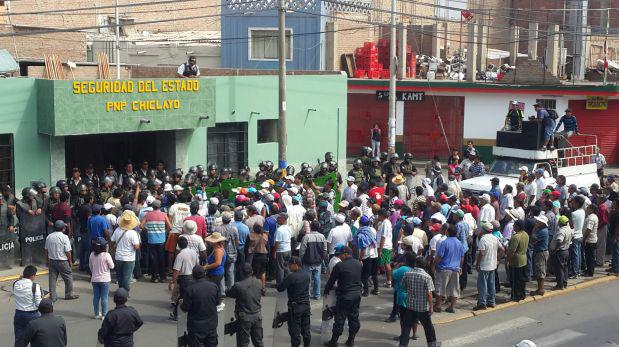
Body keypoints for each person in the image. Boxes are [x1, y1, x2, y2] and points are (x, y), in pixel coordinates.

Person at [323, 246, 362, 347]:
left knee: (340, 318)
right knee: (354, 317)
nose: (339, 256)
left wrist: (326, 291)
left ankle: (333, 341)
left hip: (345, 296)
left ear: (345, 254)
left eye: (340, 254)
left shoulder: (340, 266)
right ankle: (351, 340)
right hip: (356, 295)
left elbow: (331, 281)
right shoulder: (358, 263)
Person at [401, 255, 437, 347]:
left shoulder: (407, 274)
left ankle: (403, 345)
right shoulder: (427, 277)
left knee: (406, 327)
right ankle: (432, 344)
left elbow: (404, 287)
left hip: (410, 305)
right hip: (422, 308)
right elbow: (429, 294)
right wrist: (431, 307)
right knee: (428, 327)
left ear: (416, 264)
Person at [226, 263, 264, 347]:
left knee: (243, 343)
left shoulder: (238, 285)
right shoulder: (259, 282)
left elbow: (229, 293)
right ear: (252, 271)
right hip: (257, 315)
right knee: (258, 342)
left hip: (245, 318)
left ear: (241, 273)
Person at [277, 256, 311, 347]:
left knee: (295, 332)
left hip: (295, 307)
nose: (288, 267)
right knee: (306, 329)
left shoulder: (291, 277)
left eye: (290, 265)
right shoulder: (307, 275)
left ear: (295, 264)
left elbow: (280, 288)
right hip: (306, 305)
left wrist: (284, 278)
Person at [180, 265, 219, 345]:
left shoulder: (190, 289)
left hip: (196, 327)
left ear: (193, 275)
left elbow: (185, 308)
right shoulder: (213, 286)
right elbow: (217, 302)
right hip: (211, 325)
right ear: (204, 273)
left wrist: (181, 304)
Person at [433, 224, 465, 313]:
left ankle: (438, 305)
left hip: (444, 268)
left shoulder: (445, 242)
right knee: (454, 288)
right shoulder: (459, 243)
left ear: (447, 232)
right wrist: (460, 267)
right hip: (455, 268)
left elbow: (439, 256)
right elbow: (462, 257)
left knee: (439, 287)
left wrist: (434, 264)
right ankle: (452, 307)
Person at [44, 220, 79, 302]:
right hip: (62, 261)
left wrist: (46, 260)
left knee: (52, 279)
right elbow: (68, 251)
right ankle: (69, 294)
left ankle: (53, 296)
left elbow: (46, 250)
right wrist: (70, 261)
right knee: (68, 277)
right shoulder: (64, 237)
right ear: (63, 228)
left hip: (52, 260)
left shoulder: (49, 236)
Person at [474, 221, 504, 310]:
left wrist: (477, 263)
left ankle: (482, 303)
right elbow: (502, 249)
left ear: (484, 230)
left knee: (482, 285)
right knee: (491, 284)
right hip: (492, 264)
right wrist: (498, 259)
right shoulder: (495, 238)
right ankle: (491, 301)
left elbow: (481, 253)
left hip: (484, 265)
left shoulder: (483, 239)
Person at [140, 200, 172, 282]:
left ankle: (155, 277)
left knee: (153, 258)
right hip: (161, 239)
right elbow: (170, 227)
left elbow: (141, 225)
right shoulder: (163, 215)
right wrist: (164, 231)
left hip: (151, 239)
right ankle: (162, 277)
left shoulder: (148, 215)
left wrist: (147, 230)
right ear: (160, 206)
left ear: (152, 207)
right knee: (161, 258)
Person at [169, 236, 199, 320]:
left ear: (178, 245)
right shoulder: (194, 252)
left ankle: (176, 314)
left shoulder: (180, 255)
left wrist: (172, 281)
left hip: (185, 278)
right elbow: (197, 264)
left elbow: (176, 270)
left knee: (182, 296)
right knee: (192, 295)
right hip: (193, 276)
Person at [111, 211, 141, 293]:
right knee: (127, 276)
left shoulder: (117, 230)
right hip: (129, 258)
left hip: (118, 257)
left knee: (120, 276)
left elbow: (112, 241)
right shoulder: (133, 233)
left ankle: (120, 290)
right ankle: (125, 292)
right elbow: (136, 246)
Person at [13, 265, 44, 346]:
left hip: (19, 314)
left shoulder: (15, 284)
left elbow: (18, 281)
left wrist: (20, 279)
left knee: (19, 339)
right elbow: (38, 303)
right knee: (35, 339)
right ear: (33, 275)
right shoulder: (35, 286)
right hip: (32, 315)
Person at [299, 220, 327, 300]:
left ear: (310, 227)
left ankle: (307, 295)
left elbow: (302, 251)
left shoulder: (306, 237)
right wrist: (322, 258)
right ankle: (317, 295)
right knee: (317, 278)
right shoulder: (322, 237)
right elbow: (325, 250)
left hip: (307, 261)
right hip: (318, 262)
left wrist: (301, 260)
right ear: (319, 227)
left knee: (307, 279)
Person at [89, 237, 114, 319]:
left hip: (95, 279)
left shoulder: (92, 254)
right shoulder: (106, 255)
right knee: (104, 297)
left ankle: (96, 314)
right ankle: (104, 315)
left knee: (96, 296)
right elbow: (112, 266)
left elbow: (90, 267)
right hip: (105, 279)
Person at [356, 215, 380, 296]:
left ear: (360, 223)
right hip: (374, 254)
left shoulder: (361, 233)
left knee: (364, 276)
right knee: (374, 274)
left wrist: (360, 259)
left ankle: (366, 292)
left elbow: (363, 247)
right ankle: (376, 289)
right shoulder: (372, 230)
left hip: (366, 256)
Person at [507, 220, 529, 301]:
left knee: (515, 280)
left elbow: (512, 250)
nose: (513, 227)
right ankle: (522, 294)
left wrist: (508, 260)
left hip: (516, 261)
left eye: (514, 225)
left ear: (518, 227)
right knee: (522, 279)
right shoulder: (525, 234)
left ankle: (515, 296)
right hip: (524, 259)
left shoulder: (516, 237)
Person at [550, 215, 572, 290]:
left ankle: (560, 285)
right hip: (566, 250)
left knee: (559, 269)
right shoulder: (569, 229)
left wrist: (555, 249)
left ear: (560, 222)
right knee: (565, 268)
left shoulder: (561, 231)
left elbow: (559, 241)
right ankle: (564, 283)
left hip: (560, 252)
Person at [246, 224, 269, 295]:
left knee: (254, 272)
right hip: (264, 255)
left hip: (255, 255)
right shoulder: (265, 235)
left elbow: (246, 246)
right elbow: (268, 246)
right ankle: (263, 288)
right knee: (262, 272)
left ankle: (254, 288)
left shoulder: (251, 235)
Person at [530, 215, 550, 296]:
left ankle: (541, 289)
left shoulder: (542, 231)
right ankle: (539, 288)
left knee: (540, 271)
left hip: (541, 252)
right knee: (539, 271)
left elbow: (532, 240)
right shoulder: (542, 230)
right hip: (540, 251)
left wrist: (534, 229)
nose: (536, 222)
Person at [273, 212, 292, 285]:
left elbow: (277, 242)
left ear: (283, 219)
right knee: (286, 267)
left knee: (280, 268)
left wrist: (274, 252)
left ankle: (280, 284)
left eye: (279, 218)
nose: (277, 219)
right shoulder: (288, 228)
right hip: (288, 249)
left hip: (281, 251)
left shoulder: (280, 230)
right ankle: (288, 282)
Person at [377, 209, 394, 288]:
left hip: (384, 247)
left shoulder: (385, 223)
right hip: (386, 246)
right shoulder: (385, 222)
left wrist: (380, 250)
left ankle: (388, 281)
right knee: (386, 263)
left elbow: (383, 237)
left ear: (381, 215)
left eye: (378, 215)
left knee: (383, 263)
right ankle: (389, 281)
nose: (378, 216)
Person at [583, 204, 599, 277]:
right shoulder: (593, 216)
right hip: (591, 239)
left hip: (590, 240)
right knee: (588, 256)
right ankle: (588, 269)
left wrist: (584, 238)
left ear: (592, 209)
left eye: (588, 208)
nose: (586, 209)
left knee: (590, 257)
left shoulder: (591, 218)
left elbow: (589, 229)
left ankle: (590, 271)